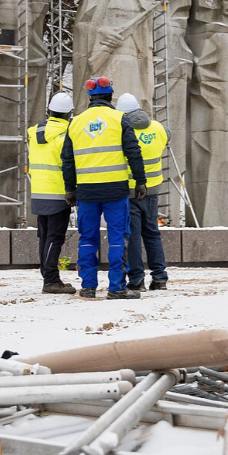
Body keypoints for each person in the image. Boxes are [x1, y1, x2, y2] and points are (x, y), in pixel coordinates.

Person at [61, 77, 147, 300]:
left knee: (87, 238)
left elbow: (67, 159)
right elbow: (133, 152)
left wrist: (70, 189)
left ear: (90, 98)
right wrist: (140, 180)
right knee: (118, 237)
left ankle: (88, 287)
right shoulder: (119, 119)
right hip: (115, 191)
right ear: (110, 97)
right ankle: (116, 287)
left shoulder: (76, 122)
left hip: (87, 192)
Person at [116, 93, 169, 291]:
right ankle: (160, 278)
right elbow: (168, 136)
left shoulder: (122, 130)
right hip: (153, 189)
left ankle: (137, 280)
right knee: (152, 233)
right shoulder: (157, 127)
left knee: (134, 236)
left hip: (130, 190)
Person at [28, 92, 77, 295]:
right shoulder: (67, 134)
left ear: (49, 110)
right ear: (68, 114)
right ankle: (50, 280)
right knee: (55, 236)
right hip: (58, 192)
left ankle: (48, 275)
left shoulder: (35, 132)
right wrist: (72, 189)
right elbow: (68, 164)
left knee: (45, 236)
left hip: (39, 190)